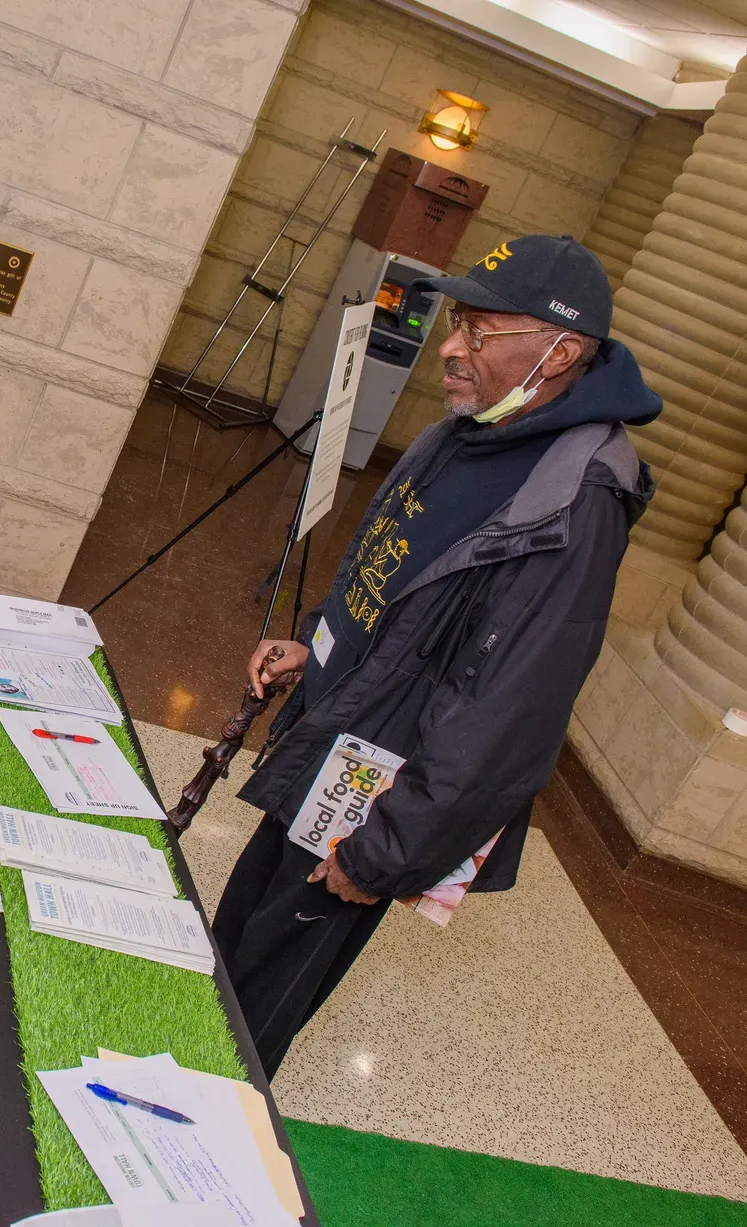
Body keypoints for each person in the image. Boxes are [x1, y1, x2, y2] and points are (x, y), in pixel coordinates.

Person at [214, 234, 660, 1076]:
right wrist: (317, 641)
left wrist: (389, 848)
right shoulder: (471, 428)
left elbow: (510, 714)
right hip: (334, 732)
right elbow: (393, 571)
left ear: (559, 351)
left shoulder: (580, 494)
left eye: (480, 333)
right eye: (458, 322)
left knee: (255, 1005)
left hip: (381, 792)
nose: (450, 349)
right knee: (235, 938)